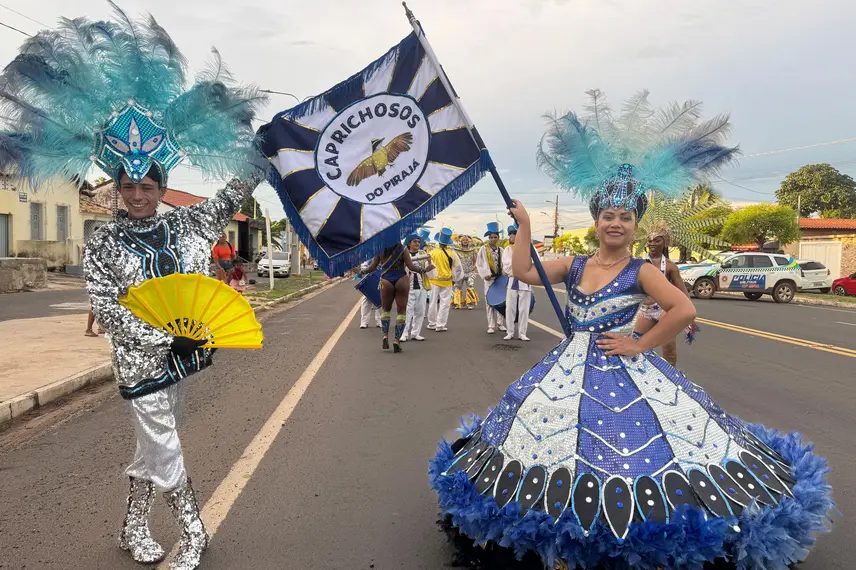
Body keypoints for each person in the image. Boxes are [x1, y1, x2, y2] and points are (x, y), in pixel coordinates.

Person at [430, 96, 831, 569]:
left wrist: (640, 343)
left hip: (624, 366)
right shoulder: (575, 263)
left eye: (625, 217)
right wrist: (525, 226)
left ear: (635, 225)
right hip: (566, 368)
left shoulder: (642, 270)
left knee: (639, 446)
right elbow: (523, 270)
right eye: (608, 216)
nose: (616, 223)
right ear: (596, 221)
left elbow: (681, 308)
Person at [0, 11, 270, 569]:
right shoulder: (102, 244)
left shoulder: (188, 223)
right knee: (166, 442)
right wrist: (160, 340)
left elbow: (235, 190)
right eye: (129, 186)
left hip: (186, 357)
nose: (139, 195)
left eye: (148, 186)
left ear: (161, 185)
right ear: (118, 187)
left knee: (153, 444)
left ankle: (131, 527)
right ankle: (194, 533)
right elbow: (108, 308)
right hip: (140, 361)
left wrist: (268, 149)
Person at [634, 222, 696, 366]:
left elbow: (681, 290)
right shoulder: (639, 263)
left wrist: (690, 315)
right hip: (644, 311)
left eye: (657, 240)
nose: (652, 243)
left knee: (668, 347)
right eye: (650, 240)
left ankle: (672, 379)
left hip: (664, 311)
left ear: (665, 243)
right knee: (636, 344)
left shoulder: (670, 266)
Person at [364, 241, 434, 352]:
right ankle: (397, 340)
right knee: (401, 311)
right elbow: (411, 266)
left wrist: (360, 271)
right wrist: (424, 270)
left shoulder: (380, 248)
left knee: (385, 310)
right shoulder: (402, 248)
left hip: (386, 280)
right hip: (401, 279)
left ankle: (385, 336)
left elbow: (372, 267)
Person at [400, 232, 432, 343]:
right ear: (409, 243)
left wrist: (429, 262)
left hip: (421, 287)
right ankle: (404, 333)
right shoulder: (404, 254)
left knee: (420, 311)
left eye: (419, 242)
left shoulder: (423, 253)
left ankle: (416, 333)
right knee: (407, 311)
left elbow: (430, 271)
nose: (418, 243)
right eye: (415, 241)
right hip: (408, 288)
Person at [476, 222, 507, 334]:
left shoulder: (502, 250)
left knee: (501, 301)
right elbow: (479, 264)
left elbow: (505, 264)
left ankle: (500, 323)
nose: (493, 239)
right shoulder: (483, 250)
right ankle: (491, 325)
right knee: (489, 302)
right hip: (489, 279)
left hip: (500, 279)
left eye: (495, 237)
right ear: (489, 238)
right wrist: (485, 275)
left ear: (498, 238)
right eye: (491, 237)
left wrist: (504, 273)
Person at [502, 225, 532, 341]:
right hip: (512, 281)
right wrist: (520, 266)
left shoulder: (529, 248)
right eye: (510, 234)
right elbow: (507, 266)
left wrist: (522, 266)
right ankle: (510, 331)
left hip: (525, 282)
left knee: (524, 309)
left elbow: (534, 263)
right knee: (510, 308)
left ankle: (522, 333)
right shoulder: (508, 249)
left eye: (514, 234)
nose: (511, 236)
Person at [427, 228, 460, 332]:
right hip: (447, 281)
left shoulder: (432, 253)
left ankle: (432, 323)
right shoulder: (452, 253)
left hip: (434, 281)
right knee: (445, 303)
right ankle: (440, 324)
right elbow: (457, 268)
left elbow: (427, 266)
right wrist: (455, 279)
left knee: (432, 302)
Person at [452, 234, 478, 310]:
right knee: (457, 286)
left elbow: (475, 259)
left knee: (470, 285)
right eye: (463, 240)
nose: (465, 241)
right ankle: (456, 303)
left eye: (466, 240)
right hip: (460, 272)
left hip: (470, 272)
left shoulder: (472, 250)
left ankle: (469, 303)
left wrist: (474, 266)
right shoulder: (456, 250)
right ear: (461, 241)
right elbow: (454, 260)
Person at [355, 261, 382, 329]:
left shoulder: (379, 251)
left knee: (380, 297)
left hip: (378, 273)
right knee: (367, 298)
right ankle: (364, 322)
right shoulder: (363, 253)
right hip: (366, 275)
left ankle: (380, 321)